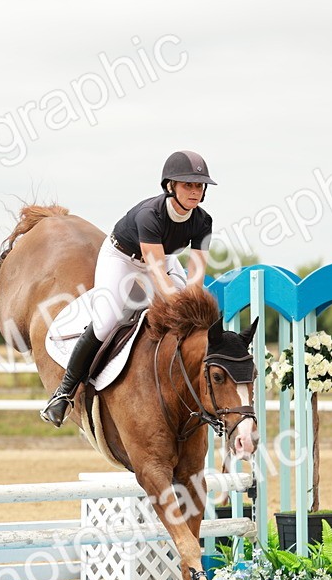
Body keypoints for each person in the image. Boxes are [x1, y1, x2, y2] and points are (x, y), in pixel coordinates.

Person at [41, 149, 217, 427]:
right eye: (188, 185)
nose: (194, 191)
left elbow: (196, 277)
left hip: (164, 258)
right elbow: (156, 272)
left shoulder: (203, 221)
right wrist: (176, 304)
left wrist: (192, 308)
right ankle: (64, 392)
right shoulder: (151, 215)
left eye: (199, 186)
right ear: (171, 186)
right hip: (122, 258)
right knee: (107, 321)